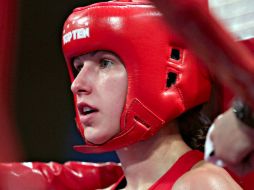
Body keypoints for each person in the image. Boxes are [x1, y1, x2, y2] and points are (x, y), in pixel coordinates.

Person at [61, 1, 242, 189]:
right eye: (79, 67)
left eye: (105, 63)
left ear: (163, 75)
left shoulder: (201, 185)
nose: (77, 84)